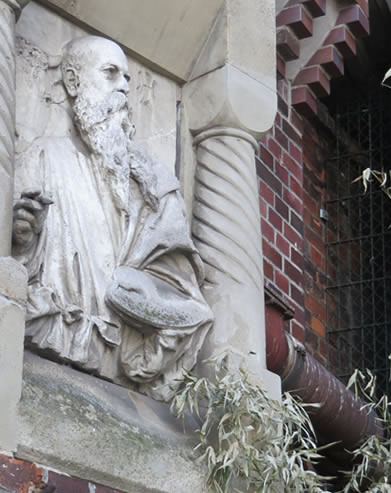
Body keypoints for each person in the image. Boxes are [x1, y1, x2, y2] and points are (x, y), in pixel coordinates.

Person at [12, 36, 213, 401]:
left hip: (124, 351)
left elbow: (181, 283)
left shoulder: (148, 180)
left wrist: (145, 295)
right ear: (73, 82)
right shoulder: (44, 158)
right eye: (110, 73)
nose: (123, 87)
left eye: (127, 79)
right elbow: (15, 253)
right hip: (55, 337)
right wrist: (25, 239)